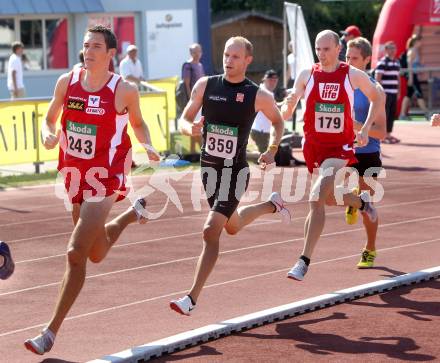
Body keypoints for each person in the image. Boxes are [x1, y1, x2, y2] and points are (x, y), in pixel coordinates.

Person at [24, 25, 160, 355]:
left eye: (96, 46)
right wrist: (48, 133)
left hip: (106, 176)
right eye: (86, 45)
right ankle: (131, 215)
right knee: (95, 253)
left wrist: (148, 145)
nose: (89, 51)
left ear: (111, 54)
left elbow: (138, 122)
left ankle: (49, 332)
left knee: (75, 253)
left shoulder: (123, 90)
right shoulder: (67, 82)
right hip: (74, 172)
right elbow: (50, 117)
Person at [169, 36, 290, 315]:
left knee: (211, 229)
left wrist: (272, 149)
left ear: (248, 60)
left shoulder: (257, 94)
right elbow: (184, 119)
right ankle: (272, 205)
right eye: (226, 55)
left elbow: (278, 121)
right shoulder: (205, 86)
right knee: (232, 226)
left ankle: (191, 299)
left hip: (235, 172)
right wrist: (191, 129)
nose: (229, 60)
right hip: (208, 169)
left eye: (236, 56)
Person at [281, 30, 380, 281]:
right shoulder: (307, 75)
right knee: (326, 199)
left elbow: (377, 97)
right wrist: (288, 104)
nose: (322, 54)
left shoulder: (352, 75)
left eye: (326, 49)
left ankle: (303, 261)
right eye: (318, 49)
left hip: (339, 148)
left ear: (338, 49)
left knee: (315, 199)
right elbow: (285, 112)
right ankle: (361, 203)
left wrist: (366, 128)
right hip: (314, 147)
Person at [345, 37, 387, 268]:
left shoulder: (375, 90)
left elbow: (381, 132)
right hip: (340, 150)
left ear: (367, 60)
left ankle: (369, 248)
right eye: (347, 57)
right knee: (325, 192)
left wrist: (355, 125)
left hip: (367, 153)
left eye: (355, 58)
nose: (349, 62)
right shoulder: (340, 84)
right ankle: (353, 199)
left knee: (366, 204)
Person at [375, 41, 401, 144]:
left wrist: (399, 91)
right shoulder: (382, 62)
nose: (393, 50)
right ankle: (382, 135)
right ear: (386, 50)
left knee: (391, 114)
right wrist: (381, 93)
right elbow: (377, 79)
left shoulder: (396, 62)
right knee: (384, 115)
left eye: (394, 48)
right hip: (385, 93)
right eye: (390, 48)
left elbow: (397, 78)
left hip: (393, 93)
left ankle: (388, 134)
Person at [399, 35, 428, 120]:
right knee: (419, 94)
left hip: (412, 75)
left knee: (408, 95)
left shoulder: (415, 51)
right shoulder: (413, 51)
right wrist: (411, 78)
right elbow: (409, 65)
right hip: (412, 76)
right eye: (420, 41)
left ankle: (402, 115)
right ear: (416, 42)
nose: (421, 43)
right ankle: (426, 113)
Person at [250, 69, 279, 153]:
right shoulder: (262, 92)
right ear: (265, 79)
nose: (273, 83)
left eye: (275, 80)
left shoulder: (268, 93)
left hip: (264, 131)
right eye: (270, 80)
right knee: (265, 159)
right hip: (260, 132)